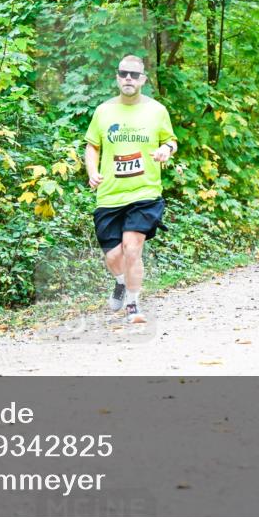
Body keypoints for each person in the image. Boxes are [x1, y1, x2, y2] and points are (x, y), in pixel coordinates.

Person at [84, 55, 177, 323]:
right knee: (113, 256)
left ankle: (133, 305)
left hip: (144, 193)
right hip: (110, 194)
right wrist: (92, 171)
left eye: (134, 75)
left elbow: (171, 141)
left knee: (132, 248)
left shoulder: (157, 110)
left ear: (143, 80)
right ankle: (122, 282)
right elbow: (92, 145)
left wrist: (165, 149)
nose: (128, 78)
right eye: (124, 73)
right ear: (117, 77)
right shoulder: (103, 111)